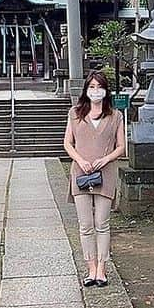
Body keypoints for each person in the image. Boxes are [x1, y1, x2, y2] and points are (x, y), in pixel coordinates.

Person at [63, 71, 126, 288]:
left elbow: (121, 147)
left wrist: (105, 159)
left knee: (102, 222)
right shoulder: (75, 113)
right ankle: (90, 268)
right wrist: (80, 160)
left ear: (106, 90)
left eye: (99, 87)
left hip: (105, 173)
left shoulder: (115, 116)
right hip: (80, 172)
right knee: (85, 224)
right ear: (86, 90)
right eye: (91, 87)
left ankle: (102, 268)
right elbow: (68, 144)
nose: (95, 91)